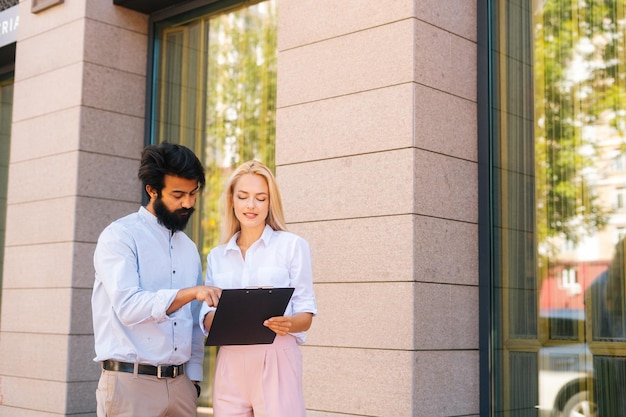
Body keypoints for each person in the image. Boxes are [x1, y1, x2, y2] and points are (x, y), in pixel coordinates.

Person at [92, 142, 222, 417]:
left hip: (181, 387)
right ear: (152, 190)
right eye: (178, 194)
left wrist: (193, 382)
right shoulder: (120, 236)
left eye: (193, 193)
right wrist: (190, 293)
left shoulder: (188, 248)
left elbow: (195, 322)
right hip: (130, 386)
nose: (188, 203)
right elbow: (128, 306)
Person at [199, 160, 317, 417]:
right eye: (243, 197)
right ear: (232, 200)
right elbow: (205, 318)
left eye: (260, 198)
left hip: (277, 358)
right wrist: (213, 319)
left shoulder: (293, 246)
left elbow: (306, 315)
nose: (251, 205)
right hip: (230, 362)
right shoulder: (217, 256)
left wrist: (288, 323)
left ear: (270, 202)